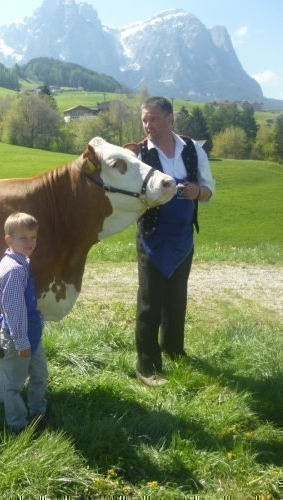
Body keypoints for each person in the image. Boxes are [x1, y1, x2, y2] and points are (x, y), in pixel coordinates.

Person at [134, 96, 215, 387]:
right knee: (150, 301)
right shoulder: (140, 154)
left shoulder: (193, 150)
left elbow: (209, 189)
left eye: (154, 118)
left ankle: (174, 350)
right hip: (152, 237)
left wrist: (197, 192)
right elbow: (132, 197)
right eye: (145, 119)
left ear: (170, 119)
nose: (148, 125)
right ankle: (146, 364)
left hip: (183, 237)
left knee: (177, 298)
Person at [0, 212, 48, 433]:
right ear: (9, 240)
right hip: (19, 336)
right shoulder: (14, 270)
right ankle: (18, 424)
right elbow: (14, 310)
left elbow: (0, 290)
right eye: (23, 238)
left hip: (31, 332)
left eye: (33, 237)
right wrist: (21, 341)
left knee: (40, 376)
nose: (30, 243)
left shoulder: (16, 261)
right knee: (14, 385)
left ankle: (38, 410)